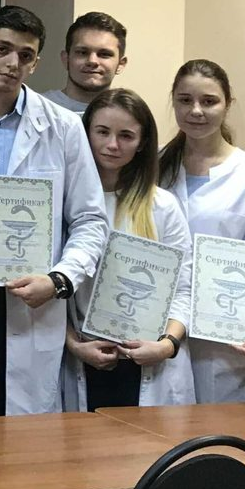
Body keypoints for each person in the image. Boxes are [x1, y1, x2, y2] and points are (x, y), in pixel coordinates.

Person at [0, 6, 109, 416]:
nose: (12, 63)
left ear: (35, 63)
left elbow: (90, 219)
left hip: (31, 298)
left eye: (25, 55)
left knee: (25, 432)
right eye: (2, 49)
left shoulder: (63, 127)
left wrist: (60, 280)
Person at [158, 59, 245, 403]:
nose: (196, 111)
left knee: (223, 434)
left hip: (226, 343)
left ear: (228, 104)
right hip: (157, 334)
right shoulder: (152, 169)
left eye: (209, 101)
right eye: (185, 100)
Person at [61, 89, 195, 409]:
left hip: (150, 362)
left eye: (126, 135)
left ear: (143, 143)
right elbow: (51, 293)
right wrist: (74, 345)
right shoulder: (63, 204)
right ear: (85, 134)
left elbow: (185, 288)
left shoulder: (162, 207)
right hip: (85, 359)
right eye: (102, 132)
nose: (112, 145)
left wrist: (167, 345)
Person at [43, 12, 128, 114]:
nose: (92, 61)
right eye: (82, 52)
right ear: (66, 59)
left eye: (104, 54)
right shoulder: (38, 109)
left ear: (121, 64)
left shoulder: (130, 116)